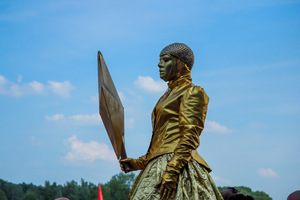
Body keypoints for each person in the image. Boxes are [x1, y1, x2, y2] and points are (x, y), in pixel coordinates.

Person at [120, 43, 223, 200]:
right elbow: (160, 144)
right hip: (157, 165)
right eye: (160, 60)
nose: (159, 64)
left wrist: (172, 170)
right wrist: (135, 164)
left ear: (180, 63)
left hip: (178, 166)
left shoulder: (192, 92)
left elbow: (190, 135)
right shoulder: (165, 96)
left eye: (165, 60)